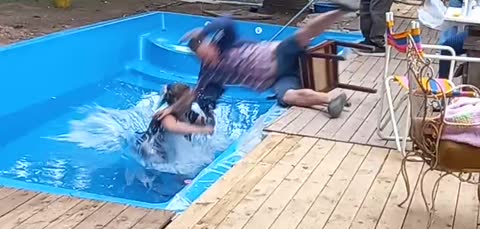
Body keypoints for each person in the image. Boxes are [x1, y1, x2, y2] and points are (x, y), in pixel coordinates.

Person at [160, 0, 360, 124]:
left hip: (277, 53)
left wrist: (203, 32)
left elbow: (226, 21)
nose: (209, 56)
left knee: (304, 35)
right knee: (288, 97)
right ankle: (331, 100)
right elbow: (201, 96)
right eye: (203, 56)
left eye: (208, 49)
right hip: (277, 78)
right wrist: (176, 110)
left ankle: (340, 11)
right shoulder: (210, 75)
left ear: (210, 44)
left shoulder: (224, 42)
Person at [136, 83, 213, 162]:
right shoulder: (166, 116)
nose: (192, 100)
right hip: (147, 149)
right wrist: (200, 130)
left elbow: (205, 125)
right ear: (177, 101)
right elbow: (172, 127)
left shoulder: (189, 113)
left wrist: (206, 123)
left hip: (164, 151)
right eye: (188, 99)